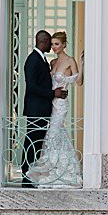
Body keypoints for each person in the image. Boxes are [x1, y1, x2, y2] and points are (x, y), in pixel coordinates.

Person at [29, 29, 84, 187]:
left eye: (57, 44)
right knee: (53, 134)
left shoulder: (70, 61)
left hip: (60, 105)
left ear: (64, 45)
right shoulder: (52, 63)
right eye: (52, 44)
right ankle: (56, 167)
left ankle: (57, 170)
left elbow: (79, 82)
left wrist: (81, 64)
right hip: (49, 103)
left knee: (54, 132)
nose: (53, 47)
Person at [20, 30, 54, 185]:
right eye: (50, 42)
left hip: (41, 109)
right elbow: (32, 87)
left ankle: (32, 173)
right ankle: (26, 173)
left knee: (37, 141)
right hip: (36, 109)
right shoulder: (33, 59)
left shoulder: (41, 59)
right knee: (32, 141)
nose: (51, 46)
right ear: (44, 41)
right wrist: (53, 94)